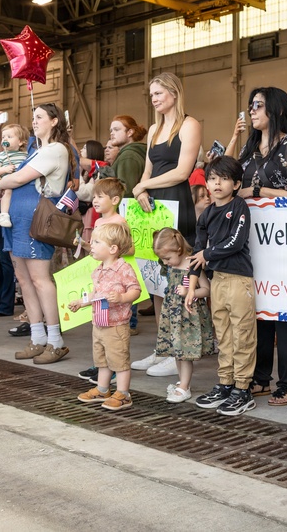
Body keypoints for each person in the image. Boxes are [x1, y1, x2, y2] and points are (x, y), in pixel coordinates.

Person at [237, 87, 287, 407]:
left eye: (258, 105)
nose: (252, 111)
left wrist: (258, 190)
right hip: (254, 236)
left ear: (276, 109)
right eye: (251, 105)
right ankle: (261, 377)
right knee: (261, 310)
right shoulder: (251, 148)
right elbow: (232, 185)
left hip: (286, 237)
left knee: (286, 311)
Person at [0, 103, 75, 365]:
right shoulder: (35, 150)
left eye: (40, 116)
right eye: (33, 116)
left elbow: (16, 180)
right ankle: (37, 336)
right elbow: (10, 168)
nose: (34, 120)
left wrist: (1, 181)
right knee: (23, 278)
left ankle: (55, 340)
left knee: (41, 280)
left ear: (54, 121)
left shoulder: (56, 150)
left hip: (35, 219)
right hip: (16, 219)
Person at [187, 155, 257, 417]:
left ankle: (243, 388)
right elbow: (196, 250)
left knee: (243, 334)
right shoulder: (206, 214)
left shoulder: (239, 206)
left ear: (236, 184)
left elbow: (236, 242)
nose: (217, 184)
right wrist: (192, 285)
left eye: (224, 179)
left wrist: (208, 254)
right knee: (224, 335)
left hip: (238, 280)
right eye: (213, 178)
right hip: (217, 282)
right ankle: (225, 383)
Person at [71, 222, 141, 411]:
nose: (91, 245)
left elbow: (136, 290)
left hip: (116, 324)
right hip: (99, 323)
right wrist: (81, 302)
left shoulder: (123, 268)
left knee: (119, 360)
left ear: (112, 248)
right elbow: (95, 293)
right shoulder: (99, 270)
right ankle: (103, 389)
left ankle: (123, 394)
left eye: (96, 242)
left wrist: (121, 298)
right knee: (102, 359)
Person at [133, 73, 202, 246]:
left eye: (158, 93)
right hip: (151, 199)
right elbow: (147, 170)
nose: (153, 99)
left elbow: (182, 172)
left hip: (176, 197)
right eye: (151, 95)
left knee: (176, 253)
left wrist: (143, 186)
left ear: (174, 93)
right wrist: (142, 192)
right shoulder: (154, 129)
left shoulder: (190, 125)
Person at [153, 227, 215, 403]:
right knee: (177, 351)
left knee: (185, 353)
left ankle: (185, 387)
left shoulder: (192, 265)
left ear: (179, 250)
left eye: (167, 258)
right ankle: (182, 382)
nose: (165, 263)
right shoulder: (171, 267)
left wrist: (190, 291)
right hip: (174, 316)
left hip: (188, 317)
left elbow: (207, 289)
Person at [0, 123, 29, 228]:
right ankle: (4, 214)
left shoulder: (26, 154)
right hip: (8, 182)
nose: (5, 139)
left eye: (9, 137)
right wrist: (4, 169)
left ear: (21, 142)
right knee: (8, 191)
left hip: (23, 183)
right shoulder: (0, 155)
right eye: (3, 137)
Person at [109, 115, 148, 198]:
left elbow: (126, 193)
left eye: (116, 129)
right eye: (111, 130)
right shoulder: (133, 153)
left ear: (130, 132)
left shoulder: (128, 155)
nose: (112, 133)